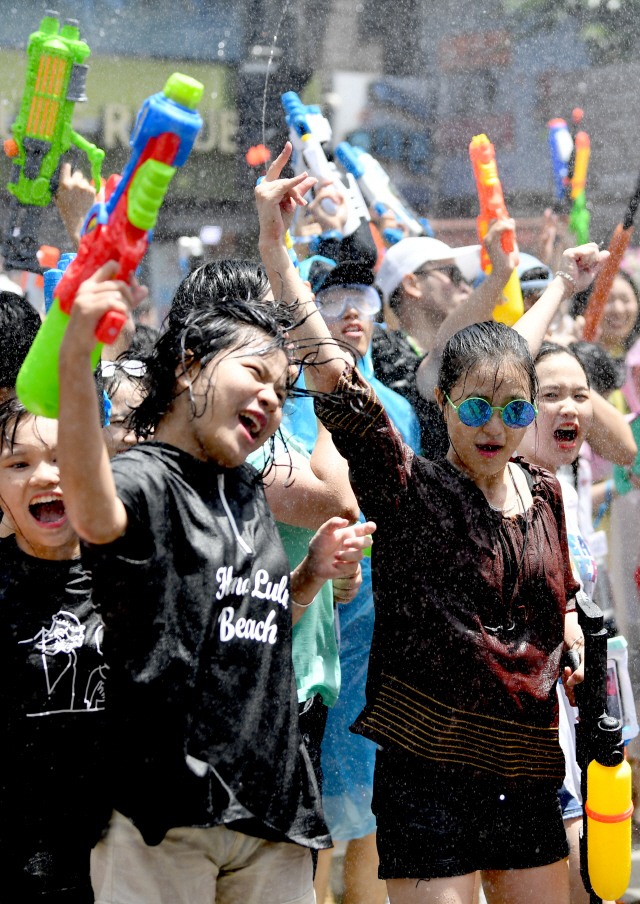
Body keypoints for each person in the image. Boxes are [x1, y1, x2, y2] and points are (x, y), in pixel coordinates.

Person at [255, 143, 609, 903]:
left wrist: (573, 642)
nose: (496, 427)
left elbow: (555, 603)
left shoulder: (544, 492)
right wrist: (274, 254)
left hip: (526, 762)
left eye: (514, 410)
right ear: (441, 406)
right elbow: (333, 377)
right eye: (475, 408)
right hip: (428, 771)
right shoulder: (410, 487)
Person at [56, 254, 374, 904]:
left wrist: (309, 575)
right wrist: (75, 360)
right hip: (162, 811)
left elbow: (250, 623)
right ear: (190, 364)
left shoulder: (244, 489)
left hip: (270, 805)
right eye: (255, 373)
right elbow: (90, 509)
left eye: (283, 391)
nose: (272, 398)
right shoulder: (142, 477)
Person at [517, 343, 627, 904]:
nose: (571, 409)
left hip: (573, 713)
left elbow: (626, 448)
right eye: (550, 395)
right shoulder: (511, 493)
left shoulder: (554, 489)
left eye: (581, 395)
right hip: (532, 728)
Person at [0, 396, 110, 903]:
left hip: (123, 852)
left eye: (65, 457)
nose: (44, 475)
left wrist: (308, 580)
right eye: (18, 464)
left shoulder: (133, 571)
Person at [373, 224, 518, 458]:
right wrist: (499, 276)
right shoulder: (381, 347)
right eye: (454, 274)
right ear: (412, 284)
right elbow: (435, 366)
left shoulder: (471, 352)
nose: (465, 288)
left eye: (467, 279)